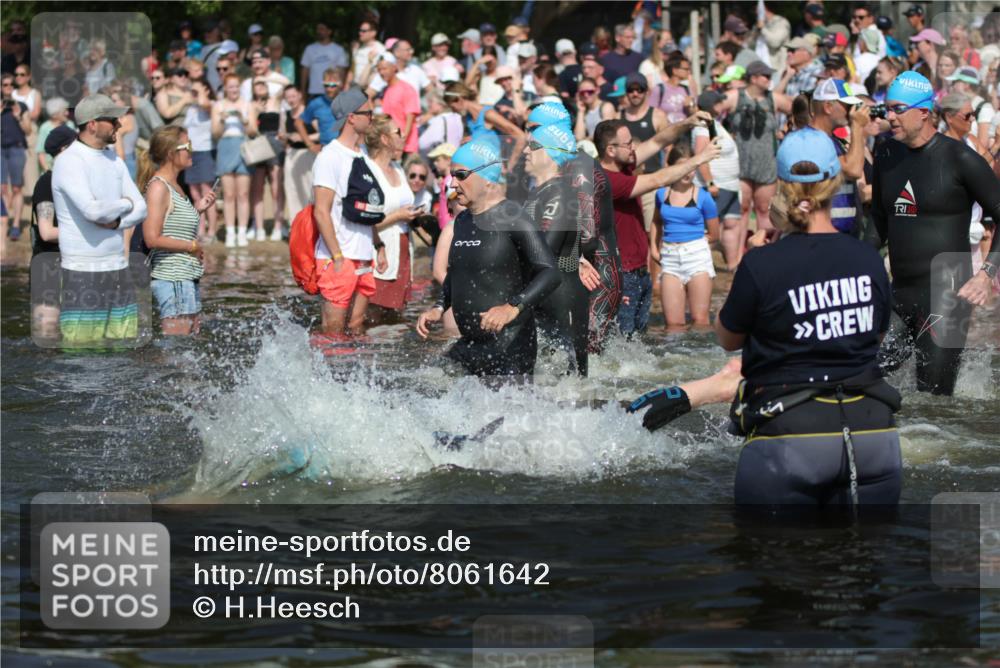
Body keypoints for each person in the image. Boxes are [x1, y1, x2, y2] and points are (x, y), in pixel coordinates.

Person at [633, 127, 902, 506]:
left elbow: (728, 338)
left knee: (768, 558)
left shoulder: (761, 263)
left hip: (791, 435)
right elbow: (873, 339)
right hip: (875, 435)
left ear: (781, 185)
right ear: (836, 180)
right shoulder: (869, 259)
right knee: (864, 560)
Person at [871, 72, 1000, 395]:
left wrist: (986, 274)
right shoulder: (886, 155)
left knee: (934, 405)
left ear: (924, 112)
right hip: (899, 292)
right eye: (886, 109)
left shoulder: (960, 158)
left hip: (948, 296)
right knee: (866, 378)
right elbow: (876, 226)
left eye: (898, 109)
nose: (890, 117)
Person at [416, 135, 561, 379]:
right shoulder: (462, 221)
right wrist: (439, 308)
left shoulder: (514, 217)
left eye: (460, 175)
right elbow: (458, 273)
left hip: (510, 346)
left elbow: (550, 272)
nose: (452, 184)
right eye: (451, 175)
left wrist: (512, 307)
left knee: (503, 415)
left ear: (487, 177)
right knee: (424, 386)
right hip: (470, 345)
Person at [594, 116, 721, 338]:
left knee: (639, 340)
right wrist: (700, 158)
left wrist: (688, 122)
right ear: (611, 150)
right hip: (621, 273)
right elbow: (657, 180)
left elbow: (657, 142)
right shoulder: (607, 180)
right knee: (623, 340)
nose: (634, 148)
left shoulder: (623, 165)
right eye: (628, 144)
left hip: (638, 271)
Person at [52, 94, 148, 347]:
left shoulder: (114, 159)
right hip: (83, 271)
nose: (119, 123)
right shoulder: (69, 161)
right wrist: (126, 204)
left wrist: (118, 221)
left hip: (117, 266)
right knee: (82, 355)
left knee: (122, 349)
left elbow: (142, 208)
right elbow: (93, 212)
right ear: (92, 124)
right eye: (112, 119)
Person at [312, 87, 388, 336]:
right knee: (332, 331)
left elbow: (367, 206)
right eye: (368, 113)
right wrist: (337, 257)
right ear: (351, 117)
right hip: (339, 257)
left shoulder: (363, 155)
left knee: (356, 328)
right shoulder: (329, 156)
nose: (372, 118)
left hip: (364, 255)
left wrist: (378, 245)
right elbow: (321, 212)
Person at [522, 122, 590, 375]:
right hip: (542, 293)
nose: (525, 152)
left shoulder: (561, 193)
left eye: (532, 147)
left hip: (563, 295)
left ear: (551, 153)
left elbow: (544, 250)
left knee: (573, 383)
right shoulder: (538, 193)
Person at [138, 126, 216, 335]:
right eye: (188, 146)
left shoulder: (175, 185)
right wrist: (192, 246)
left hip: (185, 278)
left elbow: (173, 224)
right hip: (172, 279)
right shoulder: (158, 187)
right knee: (175, 352)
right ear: (172, 153)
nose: (193, 150)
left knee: (187, 347)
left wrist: (197, 209)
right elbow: (151, 238)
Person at [651, 142, 720, 331]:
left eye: (693, 166)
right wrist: (654, 248)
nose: (689, 172)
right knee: (673, 324)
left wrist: (695, 243)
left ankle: (699, 357)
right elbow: (656, 221)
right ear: (673, 167)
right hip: (670, 256)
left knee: (700, 321)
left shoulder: (704, 197)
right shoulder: (661, 194)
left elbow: (715, 234)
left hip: (697, 256)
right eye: (684, 166)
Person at [719, 61, 791, 235]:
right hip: (740, 164)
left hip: (766, 165)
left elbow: (799, 110)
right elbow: (711, 108)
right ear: (753, 78)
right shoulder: (736, 96)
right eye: (765, 76)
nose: (769, 79)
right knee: (742, 209)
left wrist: (786, 131)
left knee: (765, 209)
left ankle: (762, 253)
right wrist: (722, 134)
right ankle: (739, 257)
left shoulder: (773, 98)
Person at [362, 115, 422, 312]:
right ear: (385, 139)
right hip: (377, 252)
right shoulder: (368, 170)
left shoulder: (397, 167)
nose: (403, 136)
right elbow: (361, 222)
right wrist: (398, 216)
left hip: (402, 250)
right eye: (398, 132)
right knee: (372, 316)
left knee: (395, 316)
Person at [30, 126, 77, 341]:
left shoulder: (74, 182)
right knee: (47, 333)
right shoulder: (46, 183)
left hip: (73, 264)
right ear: (64, 149)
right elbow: (47, 232)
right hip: (48, 266)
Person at [808, 78, 871, 235]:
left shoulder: (832, 140)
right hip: (825, 235)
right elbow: (854, 170)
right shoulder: (813, 141)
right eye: (846, 105)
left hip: (842, 235)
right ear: (828, 107)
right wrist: (856, 126)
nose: (851, 110)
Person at [692, 90, 742, 271]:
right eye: (720, 101)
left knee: (731, 223)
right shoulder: (703, 127)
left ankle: (732, 266)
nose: (723, 104)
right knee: (710, 228)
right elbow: (701, 155)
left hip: (730, 185)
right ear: (714, 106)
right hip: (717, 185)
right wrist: (709, 182)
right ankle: (698, 268)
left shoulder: (715, 124)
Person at [211, 73, 251, 247]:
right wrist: (221, 119)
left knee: (243, 194)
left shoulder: (247, 104)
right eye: (230, 86)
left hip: (243, 146)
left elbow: (253, 132)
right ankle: (230, 232)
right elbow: (215, 133)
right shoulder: (218, 105)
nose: (234, 89)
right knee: (228, 194)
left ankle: (242, 231)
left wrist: (244, 120)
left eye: (236, 86)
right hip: (225, 146)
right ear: (225, 88)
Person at [247, 78, 285, 241]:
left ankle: (278, 225)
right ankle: (258, 226)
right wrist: (255, 113)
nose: (261, 86)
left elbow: (286, 83)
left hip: (275, 143)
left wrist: (267, 76)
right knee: (257, 188)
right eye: (257, 84)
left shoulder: (275, 100)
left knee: (276, 188)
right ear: (253, 88)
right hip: (258, 143)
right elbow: (251, 131)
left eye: (263, 84)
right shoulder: (251, 105)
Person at [182, 77, 217, 242]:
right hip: (191, 152)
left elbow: (206, 104)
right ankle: (200, 229)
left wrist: (201, 94)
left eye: (197, 91)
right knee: (195, 194)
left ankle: (212, 231)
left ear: (206, 90)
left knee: (207, 193)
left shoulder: (210, 106)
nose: (193, 94)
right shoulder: (191, 109)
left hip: (205, 151)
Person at [1, 73, 31, 240]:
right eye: (5, 85)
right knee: (2, 188)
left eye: (11, 84)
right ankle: (5, 222)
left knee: (17, 188)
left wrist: (18, 116)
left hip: (17, 149)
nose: (8, 87)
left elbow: (28, 130)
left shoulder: (21, 105)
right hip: (0, 150)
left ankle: (16, 225)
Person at [375, 54, 420, 159]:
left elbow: (410, 116)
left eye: (384, 68)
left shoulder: (406, 89)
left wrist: (402, 141)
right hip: (391, 146)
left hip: (406, 149)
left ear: (394, 67)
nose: (381, 72)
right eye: (379, 69)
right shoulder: (385, 90)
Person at [282, 85, 315, 221]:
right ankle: (295, 224)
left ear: (300, 95)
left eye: (293, 96)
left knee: (308, 190)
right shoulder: (286, 114)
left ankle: (311, 224)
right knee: (292, 191)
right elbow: (283, 132)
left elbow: (321, 134)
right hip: (291, 155)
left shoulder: (309, 113)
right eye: (288, 97)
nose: (291, 100)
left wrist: (304, 138)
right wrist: (284, 137)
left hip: (307, 154)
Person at [297, 67, 342, 153]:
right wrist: (310, 144)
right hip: (326, 149)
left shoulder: (348, 100)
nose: (329, 89)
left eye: (333, 85)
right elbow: (298, 122)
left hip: (346, 149)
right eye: (326, 85)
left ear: (339, 84)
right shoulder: (316, 103)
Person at [300, 22, 349, 99]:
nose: (319, 31)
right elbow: (305, 71)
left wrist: (340, 89)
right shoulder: (309, 49)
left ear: (329, 31)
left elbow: (341, 72)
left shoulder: (338, 50)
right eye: (318, 29)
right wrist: (303, 91)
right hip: (314, 92)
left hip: (333, 91)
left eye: (322, 29)